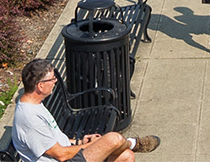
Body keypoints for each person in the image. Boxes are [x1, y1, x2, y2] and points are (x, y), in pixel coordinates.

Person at [12, 58, 159, 162]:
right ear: (40, 86)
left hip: (68, 154)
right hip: (64, 159)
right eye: (52, 79)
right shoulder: (29, 118)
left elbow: (53, 141)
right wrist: (92, 145)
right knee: (113, 139)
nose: (55, 81)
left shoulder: (35, 104)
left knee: (126, 157)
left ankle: (130, 145)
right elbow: (60, 154)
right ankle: (133, 143)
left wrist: (78, 141)